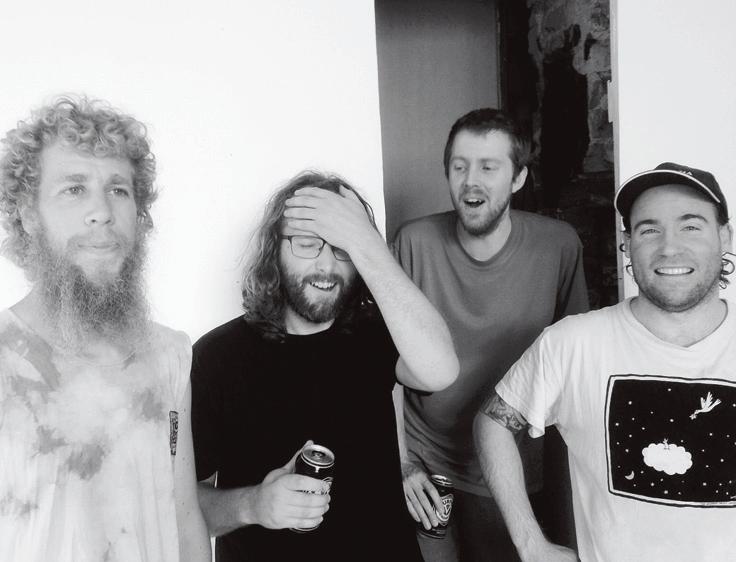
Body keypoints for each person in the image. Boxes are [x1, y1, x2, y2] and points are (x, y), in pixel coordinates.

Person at [191, 171, 459, 561]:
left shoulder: (376, 333)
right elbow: (186, 505)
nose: (326, 265)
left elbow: (442, 370)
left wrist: (366, 243)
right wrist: (254, 505)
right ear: (275, 250)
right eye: (307, 244)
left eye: (342, 249)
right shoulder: (216, 356)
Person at [475, 162, 736, 561]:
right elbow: (492, 424)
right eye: (649, 230)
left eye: (690, 226)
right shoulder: (573, 344)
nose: (669, 247)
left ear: (724, 236)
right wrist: (530, 543)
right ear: (627, 245)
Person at [0, 97, 210, 561]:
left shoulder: (170, 355)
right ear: (29, 215)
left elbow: (184, 518)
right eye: (74, 189)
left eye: (118, 189)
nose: (102, 212)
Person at [392, 108, 588, 561]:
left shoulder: (559, 245)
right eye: (459, 167)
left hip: (509, 470)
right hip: (425, 466)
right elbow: (381, 367)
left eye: (488, 167)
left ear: (518, 178)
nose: (470, 182)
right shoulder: (413, 243)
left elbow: (574, 365)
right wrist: (400, 460)